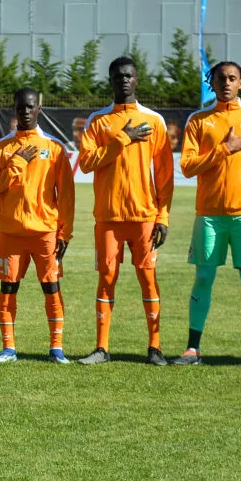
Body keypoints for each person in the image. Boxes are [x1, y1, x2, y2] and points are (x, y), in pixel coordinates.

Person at [175, 62, 241, 368]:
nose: (226, 83)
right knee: (204, 277)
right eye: (221, 78)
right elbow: (187, 167)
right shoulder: (199, 120)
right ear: (213, 83)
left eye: (232, 78)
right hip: (208, 216)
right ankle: (192, 349)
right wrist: (225, 148)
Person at [75, 57, 174, 366]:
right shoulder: (98, 120)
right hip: (108, 218)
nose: (124, 81)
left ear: (137, 80)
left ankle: (155, 347)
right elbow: (87, 163)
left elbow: (165, 174)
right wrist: (122, 138)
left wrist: (163, 216)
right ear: (111, 80)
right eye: (118, 76)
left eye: (129, 76)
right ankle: (102, 348)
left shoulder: (154, 121)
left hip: (144, 217)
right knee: (106, 278)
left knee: (148, 279)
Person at [0, 88, 75, 363]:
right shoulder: (1, 148)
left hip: (45, 233)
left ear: (38, 109)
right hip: (10, 234)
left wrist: (64, 232)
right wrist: (16, 164)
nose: (25, 111)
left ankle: (56, 348)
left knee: (52, 288)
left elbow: (66, 195)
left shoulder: (54, 148)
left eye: (30, 107)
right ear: (14, 108)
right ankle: (8, 348)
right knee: (8, 289)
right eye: (21, 107)